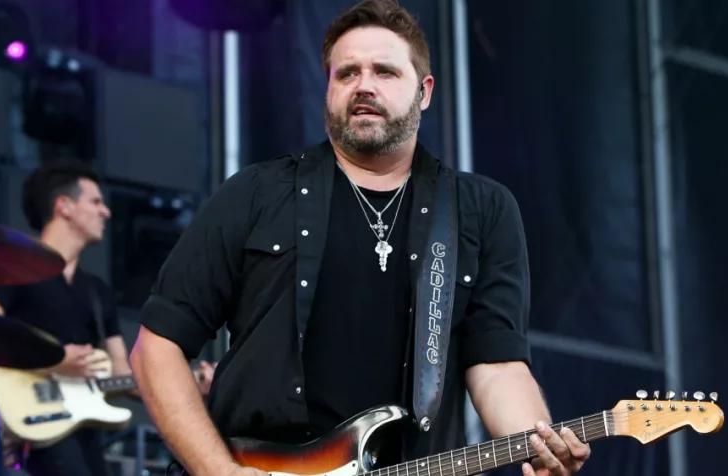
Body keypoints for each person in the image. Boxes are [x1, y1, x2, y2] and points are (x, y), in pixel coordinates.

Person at [128, 1, 591, 476]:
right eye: (347, 73)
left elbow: (497, 364)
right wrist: (216, 470)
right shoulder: (258, 191)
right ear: (327, 88)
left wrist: (536, 446)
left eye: (386, 72)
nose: (364, 85)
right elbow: (157, 346)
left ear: (424, 91)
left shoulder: (481, 210)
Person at [0, 160, 216, 476]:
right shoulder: (19, 270)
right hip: (30, 421)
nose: (106, 212)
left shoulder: (98, 292)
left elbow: (125, 374)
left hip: (83, 426)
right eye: (96, 202)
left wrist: (188, 383)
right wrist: (51, 361)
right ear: (64, 206)